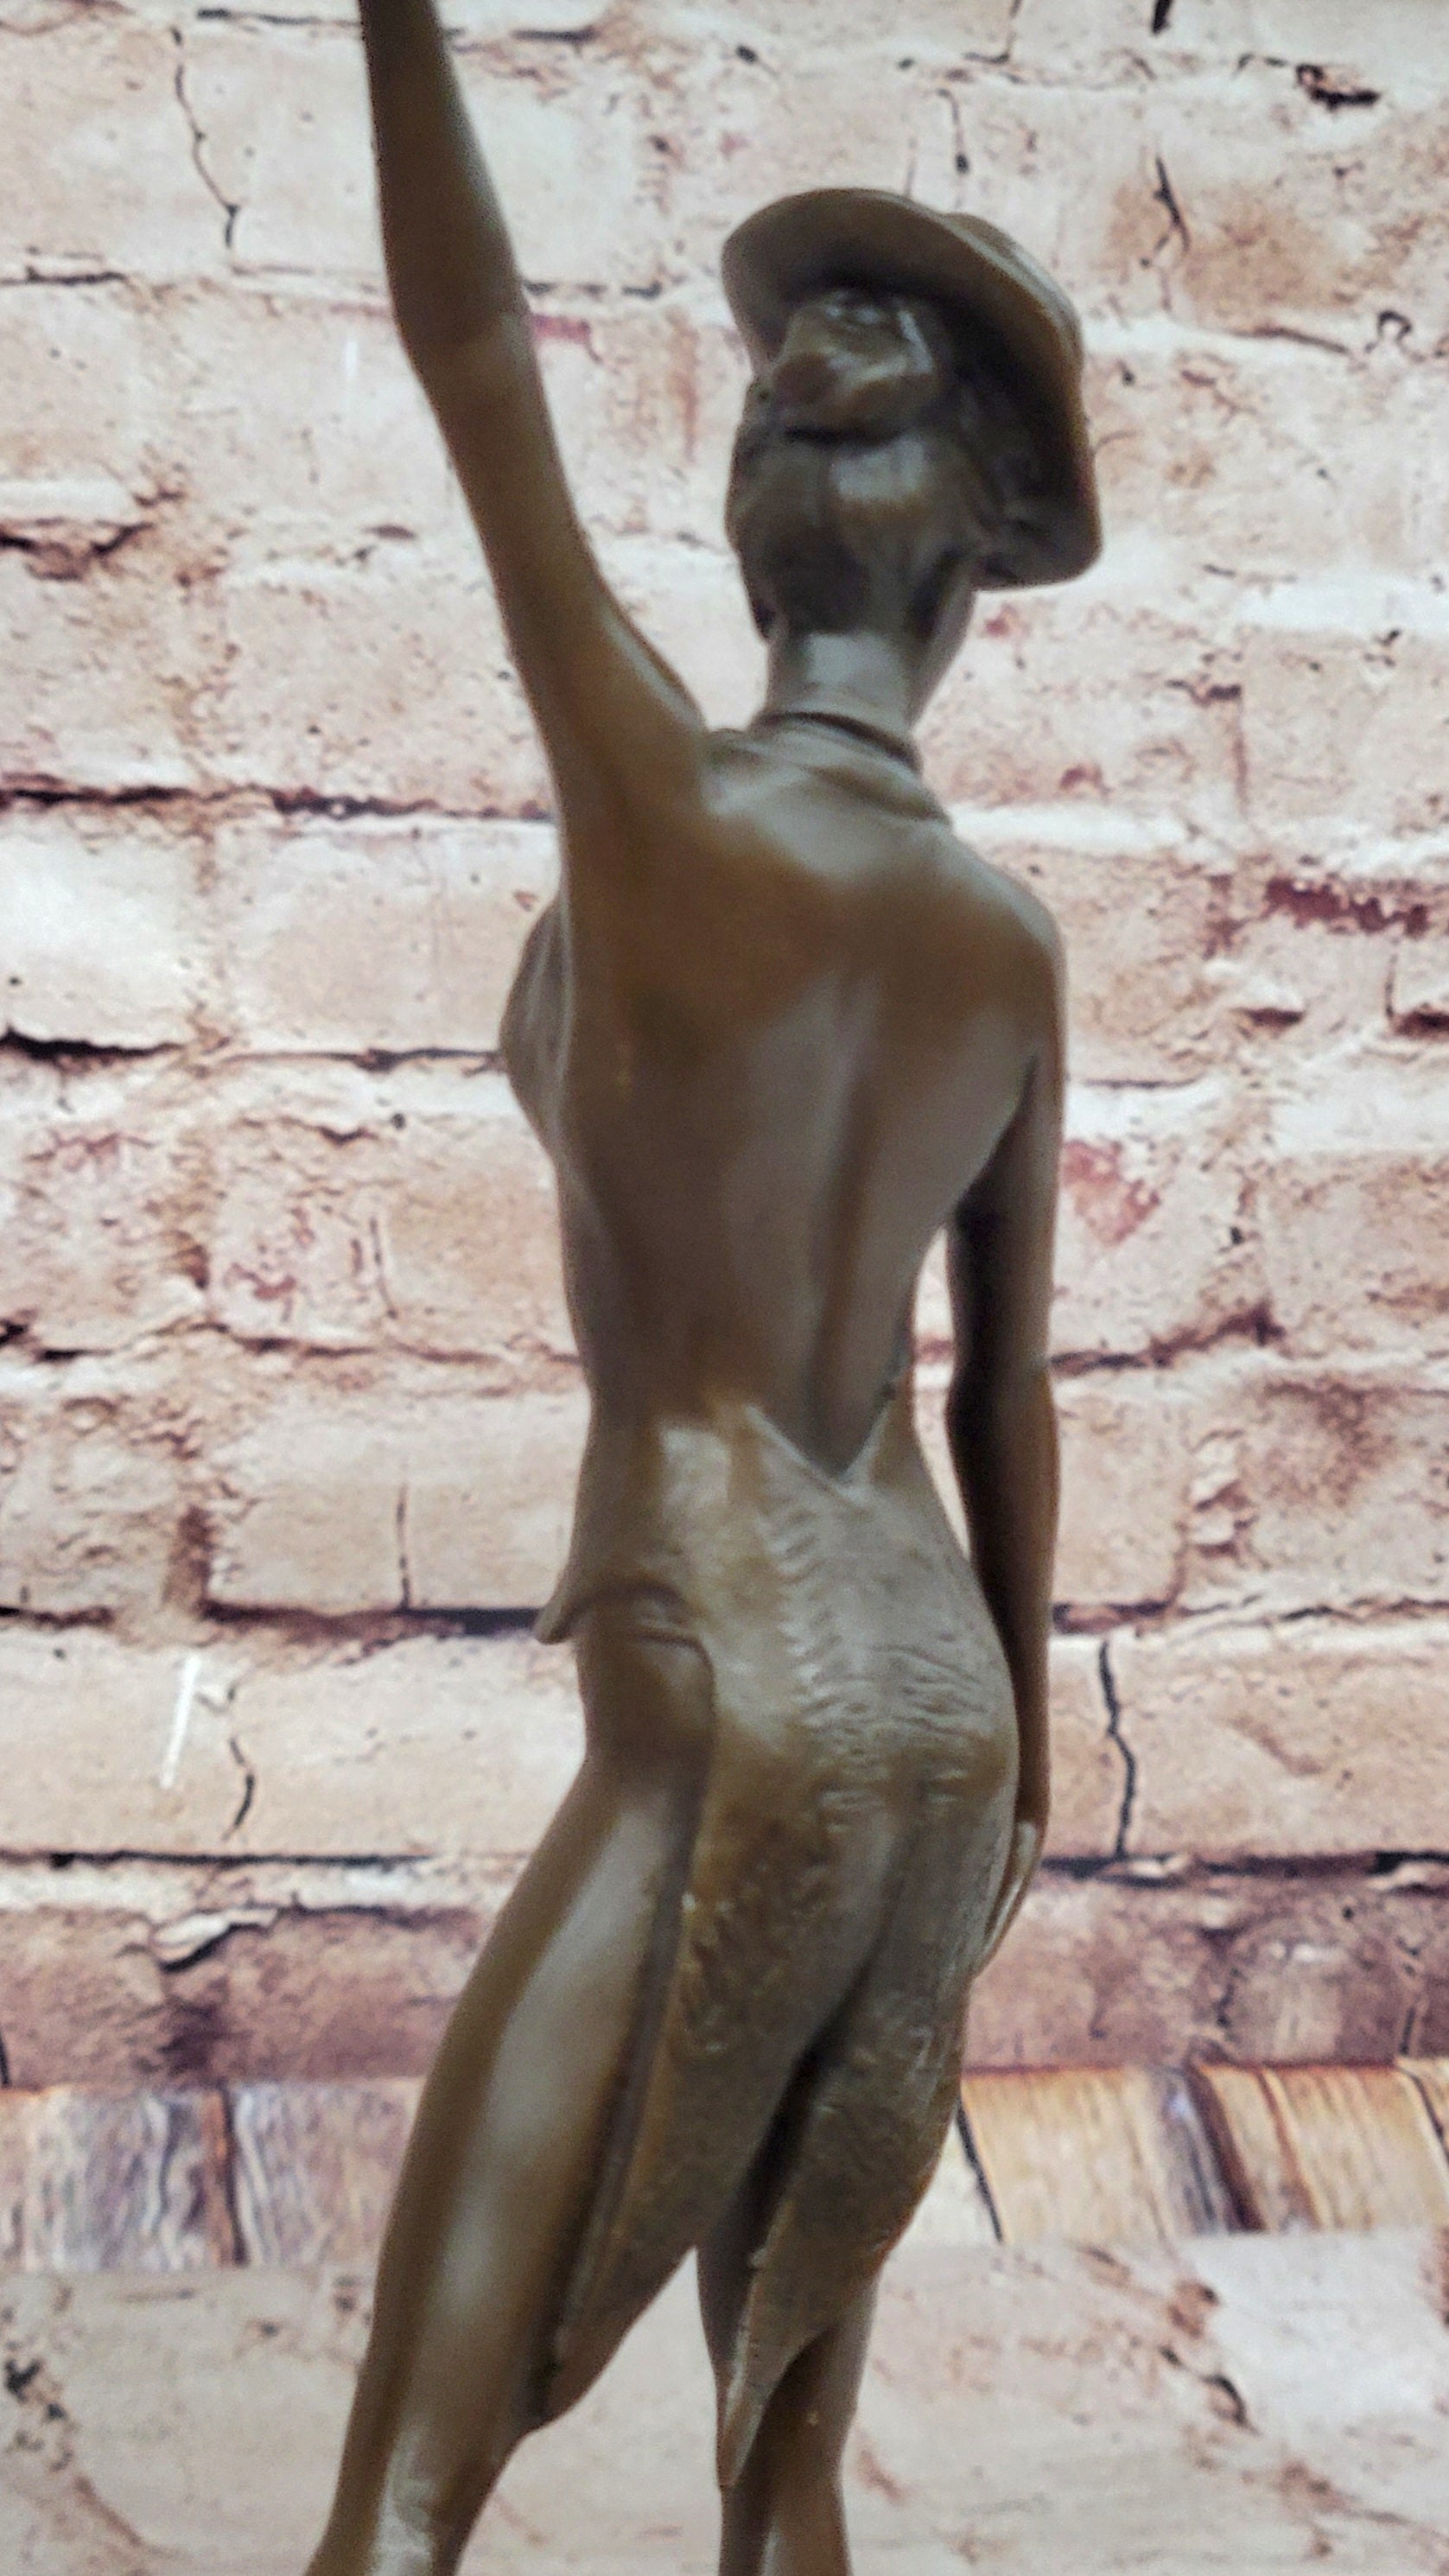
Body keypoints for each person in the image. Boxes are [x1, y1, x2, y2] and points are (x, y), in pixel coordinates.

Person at [304, 7, 1101, 2573]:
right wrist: (1031, 1751)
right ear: (971, 575)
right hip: (942, 1709)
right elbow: (1004, 1394)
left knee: (406, 2500)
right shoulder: (1005, 948)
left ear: (766, 525)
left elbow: (474, 363)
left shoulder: (660, 813)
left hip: (717, 1685)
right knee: (785, 2489)